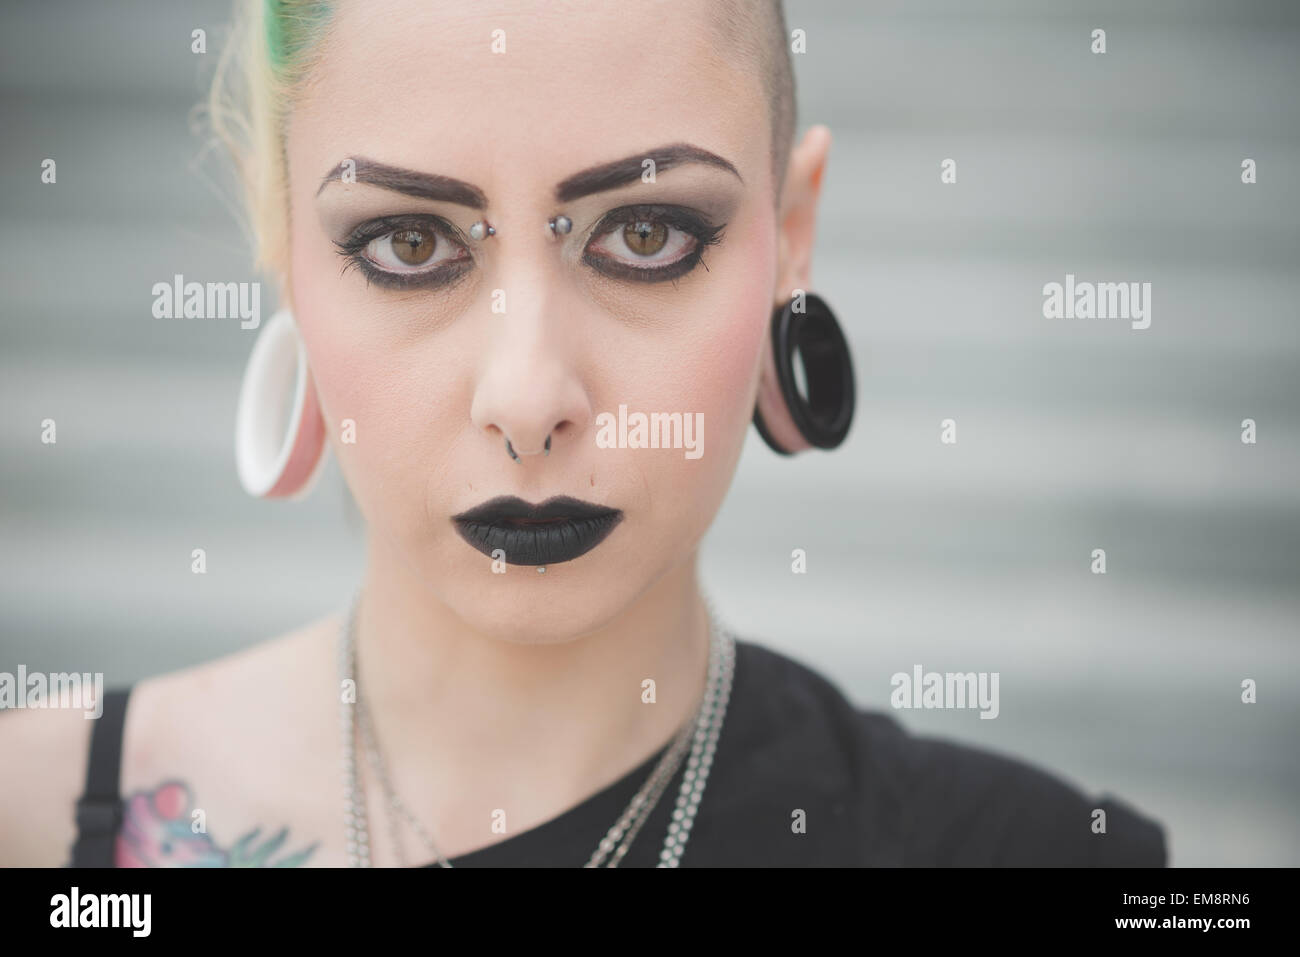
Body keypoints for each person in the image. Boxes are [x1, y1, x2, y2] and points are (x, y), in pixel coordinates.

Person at [0, 0, 1165, 867]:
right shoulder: (34, 815)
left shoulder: (1035, 854)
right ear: (283, 247)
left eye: (646, 234)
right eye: (410, 244)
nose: (525, 394)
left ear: (789, 237)